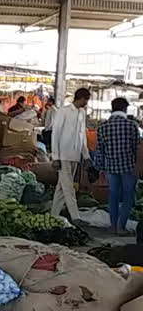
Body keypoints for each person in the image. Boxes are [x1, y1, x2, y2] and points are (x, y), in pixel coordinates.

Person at [95, 97, 140, 234]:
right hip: (129, 167)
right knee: (128, 196)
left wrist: (99, 168)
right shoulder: (132, 125)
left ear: (112, 108)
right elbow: (137, 148)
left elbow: (100, 151)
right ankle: (121, 227)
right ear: (125, 109)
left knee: (113, 196)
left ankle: (113, 226)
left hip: (111, 167)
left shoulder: (102, 127)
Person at [51, 88, 91, 223]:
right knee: (68, 187)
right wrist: (55, 157)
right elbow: (55, 134)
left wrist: (86, 155)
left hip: (75, 155)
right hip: (63, 155)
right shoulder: (64, 111)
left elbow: (82, 135)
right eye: (86, 99)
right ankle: (76, 217)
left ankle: (53, 215)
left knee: (61, 188)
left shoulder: (82, 113)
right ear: (81, 98)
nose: (86, 103)